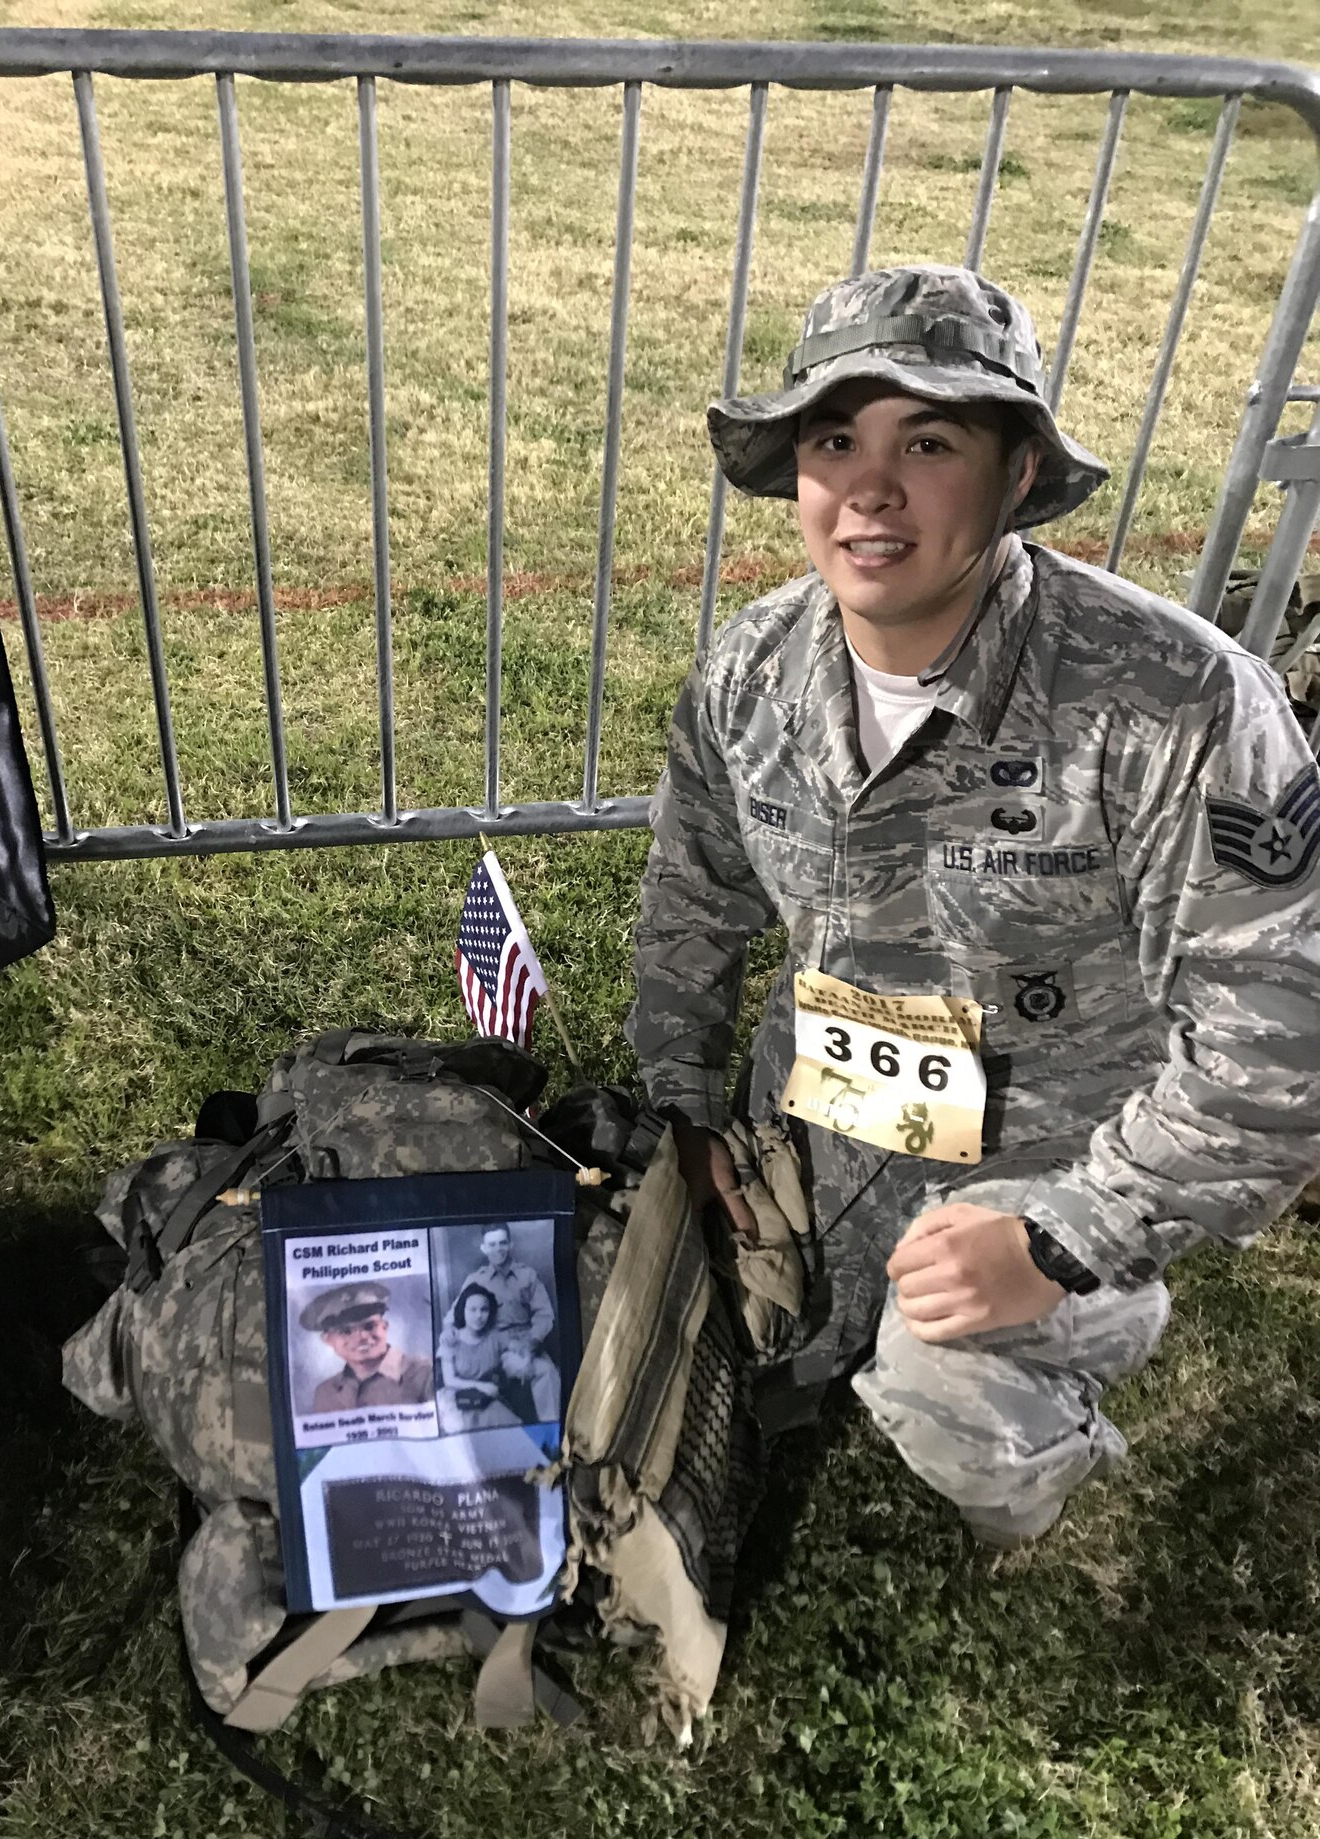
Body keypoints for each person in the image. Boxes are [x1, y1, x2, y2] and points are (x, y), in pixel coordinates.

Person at [629, 262, 1320, 1549]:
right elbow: (695, 895)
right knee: (660, 1334)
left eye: (929, 441)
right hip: (821, 1117)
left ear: (1015, 475)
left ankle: (1080, 1345)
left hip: (1054, 1154)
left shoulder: (1177, 705)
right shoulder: (752, 671)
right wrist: (678, 1106)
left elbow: (1282, 1036)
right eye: (836, 439)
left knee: (954, 1412)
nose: (870, 487)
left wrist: (1063, 1234)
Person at [452, 1226, 559, 1423]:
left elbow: (544, 1315)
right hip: (496, 1347)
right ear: (484, 1248)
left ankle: (552, 1434)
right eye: (492, 1244)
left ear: (511, 1244)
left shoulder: (527, 1276)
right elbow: (455, 1316)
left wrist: (531, 1343)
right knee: (530, 1370)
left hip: (529, 1342)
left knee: (549, 1373)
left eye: (502, 1243)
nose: (498, 1249)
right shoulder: (476, 1280)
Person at [302, 1280, 434, 1414]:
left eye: (369, 1326)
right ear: (328, 1340)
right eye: (345, 1331)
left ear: (385, 1327)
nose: (361, 1337)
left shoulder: (426, 1375)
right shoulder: (325, 1392)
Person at [436, 1282, 525, 1432]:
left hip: (486, 1400)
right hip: (457, 1401)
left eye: (484, 1310)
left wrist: (523, 1358)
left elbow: (521, 1347)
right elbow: (449, 1380)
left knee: (513, 1427)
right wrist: (480, 1386)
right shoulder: (450, 1340)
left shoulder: (496, 1337)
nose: (479, 1316)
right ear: (462, 1310)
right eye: (472, 1309)